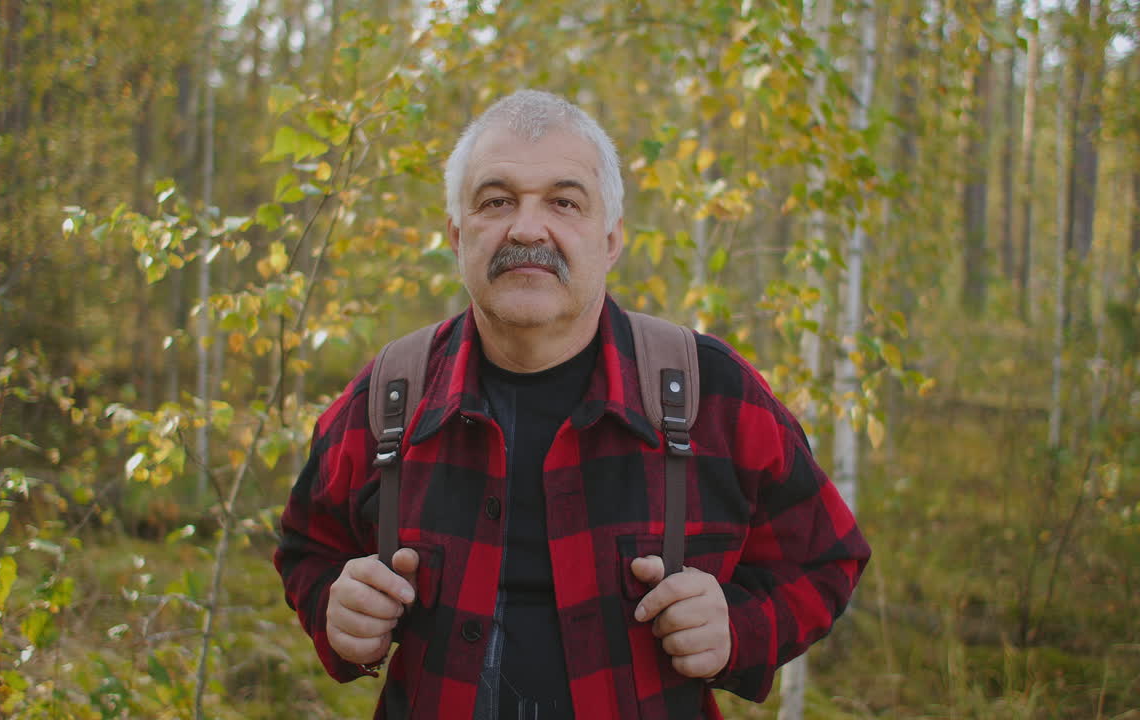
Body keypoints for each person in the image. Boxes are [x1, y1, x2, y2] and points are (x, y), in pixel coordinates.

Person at [274, 89, 870, 720]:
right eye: (496, 200)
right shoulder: (391, 396)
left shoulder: (711, 393)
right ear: (457, 235)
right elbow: (307, 546)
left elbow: (827, 557)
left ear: (611, 239)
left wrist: (739, 630)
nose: (527, 228)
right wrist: (335, 610)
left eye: (564, 202)